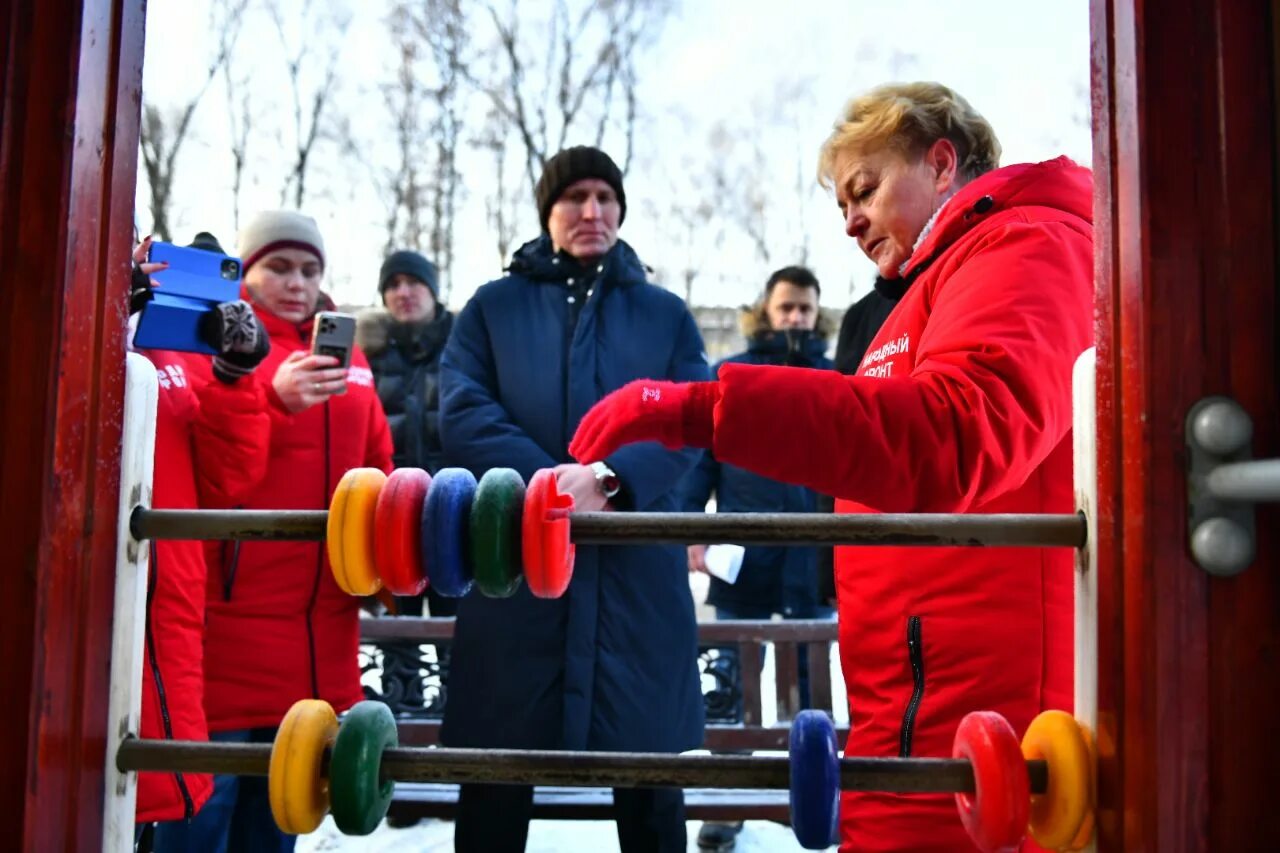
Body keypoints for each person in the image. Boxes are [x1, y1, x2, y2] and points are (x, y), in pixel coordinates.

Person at [569, 82, 1093, 852]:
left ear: (942, 162)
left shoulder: (1026, 247)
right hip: (908, 705)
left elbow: (958, 434)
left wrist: (704, 409)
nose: (849, 221)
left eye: (866, 190)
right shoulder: (920, 291)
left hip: (984, 725)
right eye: (842, 203)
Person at [439, 146, 710, 853]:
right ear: (548, 211)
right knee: (495, 776)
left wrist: (612, 479)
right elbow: (463, 406)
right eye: (574, 198)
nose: (591, 212)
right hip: (512, 568)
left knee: (648, 783)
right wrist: (548, 485)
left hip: (635, 572)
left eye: (605, 197)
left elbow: (695, 416)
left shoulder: (665, 313)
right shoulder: (491, 308)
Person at [155, 211, 394, 853]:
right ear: (247, 273)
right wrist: (267, 398)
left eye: (310, 270)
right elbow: (213, 487)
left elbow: (381, 474)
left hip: (320, 638)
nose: (297, 283)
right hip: (225, 639)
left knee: (280, 822)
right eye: (279, 267)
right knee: (200, 821)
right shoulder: (216, 346)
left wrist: (393, 565)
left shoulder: (353, 363)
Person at [678, 264, 835, 853]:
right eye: (786, 307)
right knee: (729, 690)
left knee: (810, 692)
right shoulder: (733, 376)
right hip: (739, 553)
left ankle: (814, 803)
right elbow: (701, 459)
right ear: (765, 310)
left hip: (812, 557)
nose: (796, 317)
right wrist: (692, 528)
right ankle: (726, 808)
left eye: (805, 309)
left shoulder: (836, 376)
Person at [128, 234, 272, 837]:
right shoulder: (84, 317)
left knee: (143, 800)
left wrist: (234, 374)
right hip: (101, 598)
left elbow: (227, 480)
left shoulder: (175, 349)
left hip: (169, 612)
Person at [355, 249, 457, 618]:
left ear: (433, 289)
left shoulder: (466, 351)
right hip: (389, 518)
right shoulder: (368, 354)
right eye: (393, 285)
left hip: (458, 518)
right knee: (398, 642)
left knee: (459, 641)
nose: (404, 292)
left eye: (414, 282)